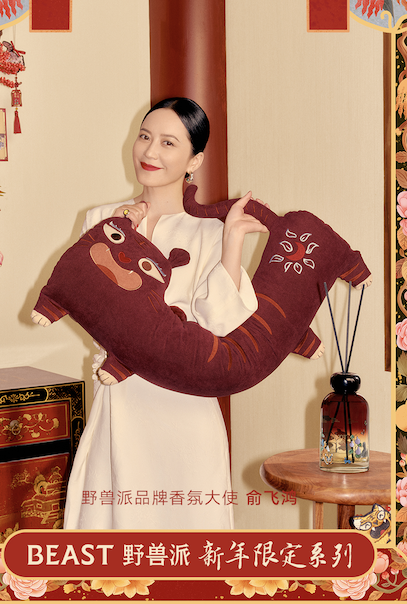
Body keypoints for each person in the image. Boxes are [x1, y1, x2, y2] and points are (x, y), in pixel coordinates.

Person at [62, 97, 268, 530]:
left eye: (168, 142)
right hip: (121, 397)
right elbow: (88, 303)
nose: (150, 151)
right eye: (145, 136)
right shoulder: (101, 219)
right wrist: (120, 233)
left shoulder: (210, 231)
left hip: (186, 408)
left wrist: (232, 242)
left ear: (194, 160)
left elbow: (220, 327)